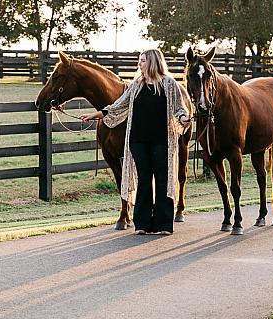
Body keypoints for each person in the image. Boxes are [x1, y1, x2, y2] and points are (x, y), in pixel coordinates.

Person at [81, 49, 192, 235]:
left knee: (163, 180)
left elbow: (179, 108)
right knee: (144, 181)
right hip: (138, 141)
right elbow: (118, 106)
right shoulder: (136, 85)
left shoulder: (169, 84)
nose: (139, 64)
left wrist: (183, 119)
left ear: (153, 62)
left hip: (162, 141)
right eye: (139, 61)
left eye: (142, 61)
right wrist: (95, 115)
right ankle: (142, 224)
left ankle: (164, 224)